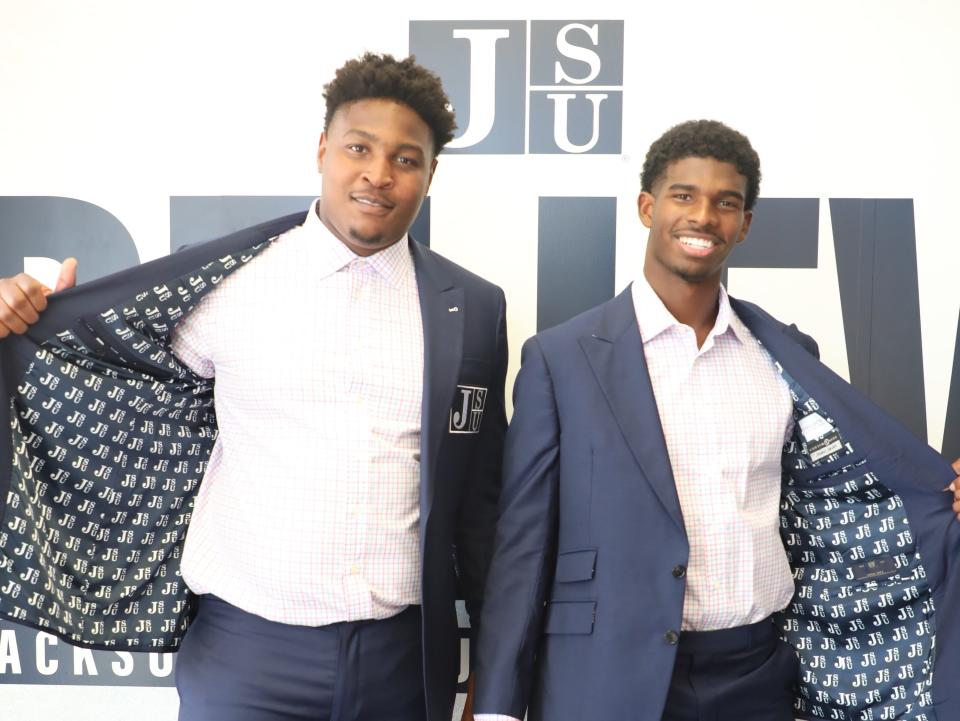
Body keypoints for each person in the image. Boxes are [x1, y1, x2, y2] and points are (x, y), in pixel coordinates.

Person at [0, 53, 507, 721]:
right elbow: (102, 366)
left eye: (406, 159)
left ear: (429, 173)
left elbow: (481, 510)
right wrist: (31, 316)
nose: (379, 175)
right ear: (323, 148)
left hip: (402, 662)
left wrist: (494, 683)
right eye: (360, 148)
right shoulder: (227, 283)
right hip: (247, 657)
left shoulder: (470, 305)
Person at [468, 120, 960, 721]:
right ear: (648, 207)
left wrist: (940, 493)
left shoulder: (785, 356)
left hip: (759, 673)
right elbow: (522, 547)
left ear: (744, 224)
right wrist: (495, 707)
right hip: (607, 675)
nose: (703, 216)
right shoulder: (561, 358)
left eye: (726, 203)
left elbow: (841, 499)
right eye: (684, 196)